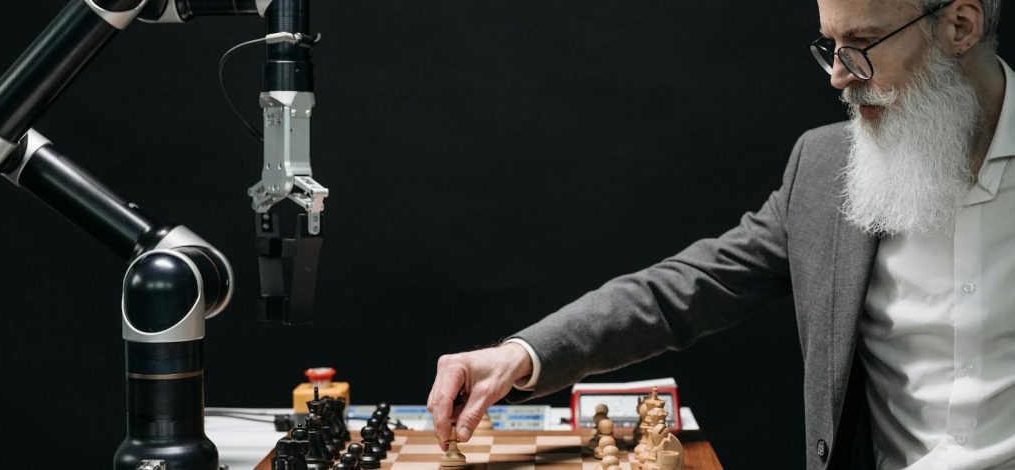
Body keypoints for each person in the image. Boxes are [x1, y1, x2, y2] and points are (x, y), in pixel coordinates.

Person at [426, 0, 1011, 468]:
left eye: (860, 47)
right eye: (830, 47)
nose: (837, 77)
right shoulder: (826, 167)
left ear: (960, 25)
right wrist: (518, 355)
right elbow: (687, 288)